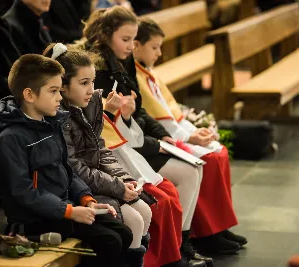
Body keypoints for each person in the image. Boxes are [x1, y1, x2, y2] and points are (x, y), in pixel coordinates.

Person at [82, 6, 207, 267]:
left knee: (185, 176)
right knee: (166, 192)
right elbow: (100, 130)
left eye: (133, 40)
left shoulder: (120, 62)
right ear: (106, 35)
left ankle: (182, 247)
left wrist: (162, 137)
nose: (130, 46)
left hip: (130, 140)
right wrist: (122, 117)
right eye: (125, 39)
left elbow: (140, 112)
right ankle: (170, 255)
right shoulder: (99, 71)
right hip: (121, 148)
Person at [0, 54, 133, 267]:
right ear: (29, 95)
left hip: (63, 209)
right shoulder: (10, 139)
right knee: (109, 241)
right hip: (34, 221)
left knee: (123, 232)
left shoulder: (52, 125)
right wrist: (69, 211)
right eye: (53, 91)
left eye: (59, 90)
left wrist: (86, 200)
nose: (60, 98)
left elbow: (66, 169)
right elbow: (23, 192)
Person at [133, 18, 248, 255]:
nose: (159, 53)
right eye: (154, 47)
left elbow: (169, 109)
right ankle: (204, 233)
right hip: (162, 139)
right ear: (136, 45)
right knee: (210, 159)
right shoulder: (134, 75)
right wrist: (188, 137)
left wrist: (193, 132)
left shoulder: (147, 72)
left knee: (220, 152)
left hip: (176, 133)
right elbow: (157, 118)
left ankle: (219, 227)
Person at [43, 43, 150, 266]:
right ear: (62, 86)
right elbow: (74, 168)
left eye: (92, 81)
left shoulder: (90, 104)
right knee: (134, 220)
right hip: (78, 191)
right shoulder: (59, 117)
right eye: (84, 83)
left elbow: (100, 149)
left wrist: (124, 179)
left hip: (98, 182)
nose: (91, 89)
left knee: (144, 211)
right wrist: (118, 187)